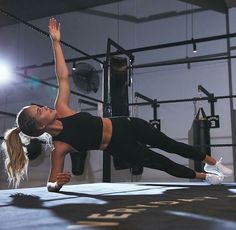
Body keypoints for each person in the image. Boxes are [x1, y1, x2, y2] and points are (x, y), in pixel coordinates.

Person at [2, 18, 233, 192]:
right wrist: (56, 184)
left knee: (169, 144)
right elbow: (50, 184)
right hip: (119, 148)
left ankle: (213, 163)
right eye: (39, 111)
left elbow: (62, 76)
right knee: (161, 163)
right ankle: (206, 178)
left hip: (126, 126)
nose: (43, 107)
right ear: (40, 126)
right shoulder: (59, 148)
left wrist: (56, 43)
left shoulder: (62, 109)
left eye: (39, 106)